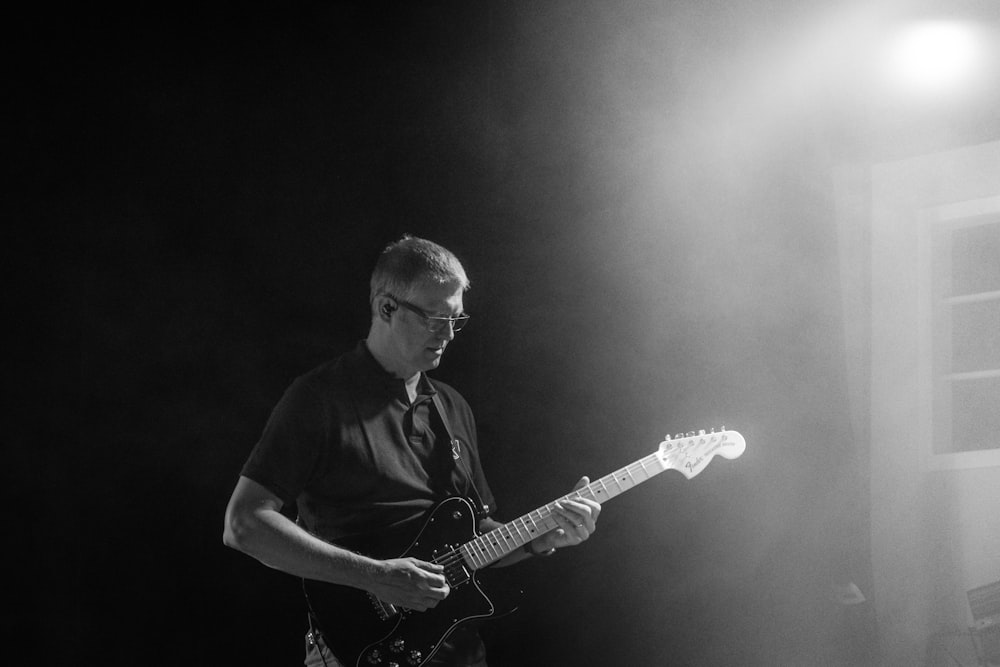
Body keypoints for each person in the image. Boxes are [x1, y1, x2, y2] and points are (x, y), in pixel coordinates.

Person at [223, 235, 601, 667]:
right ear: (387, 308)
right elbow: (243, 523)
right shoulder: (318, 399)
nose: (447, 335)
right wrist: (376, 577)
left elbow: (474, 537)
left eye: (456, 320)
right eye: (435, 318)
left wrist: (542, 538)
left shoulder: (451, 405)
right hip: (357, 652)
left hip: (460, 654)